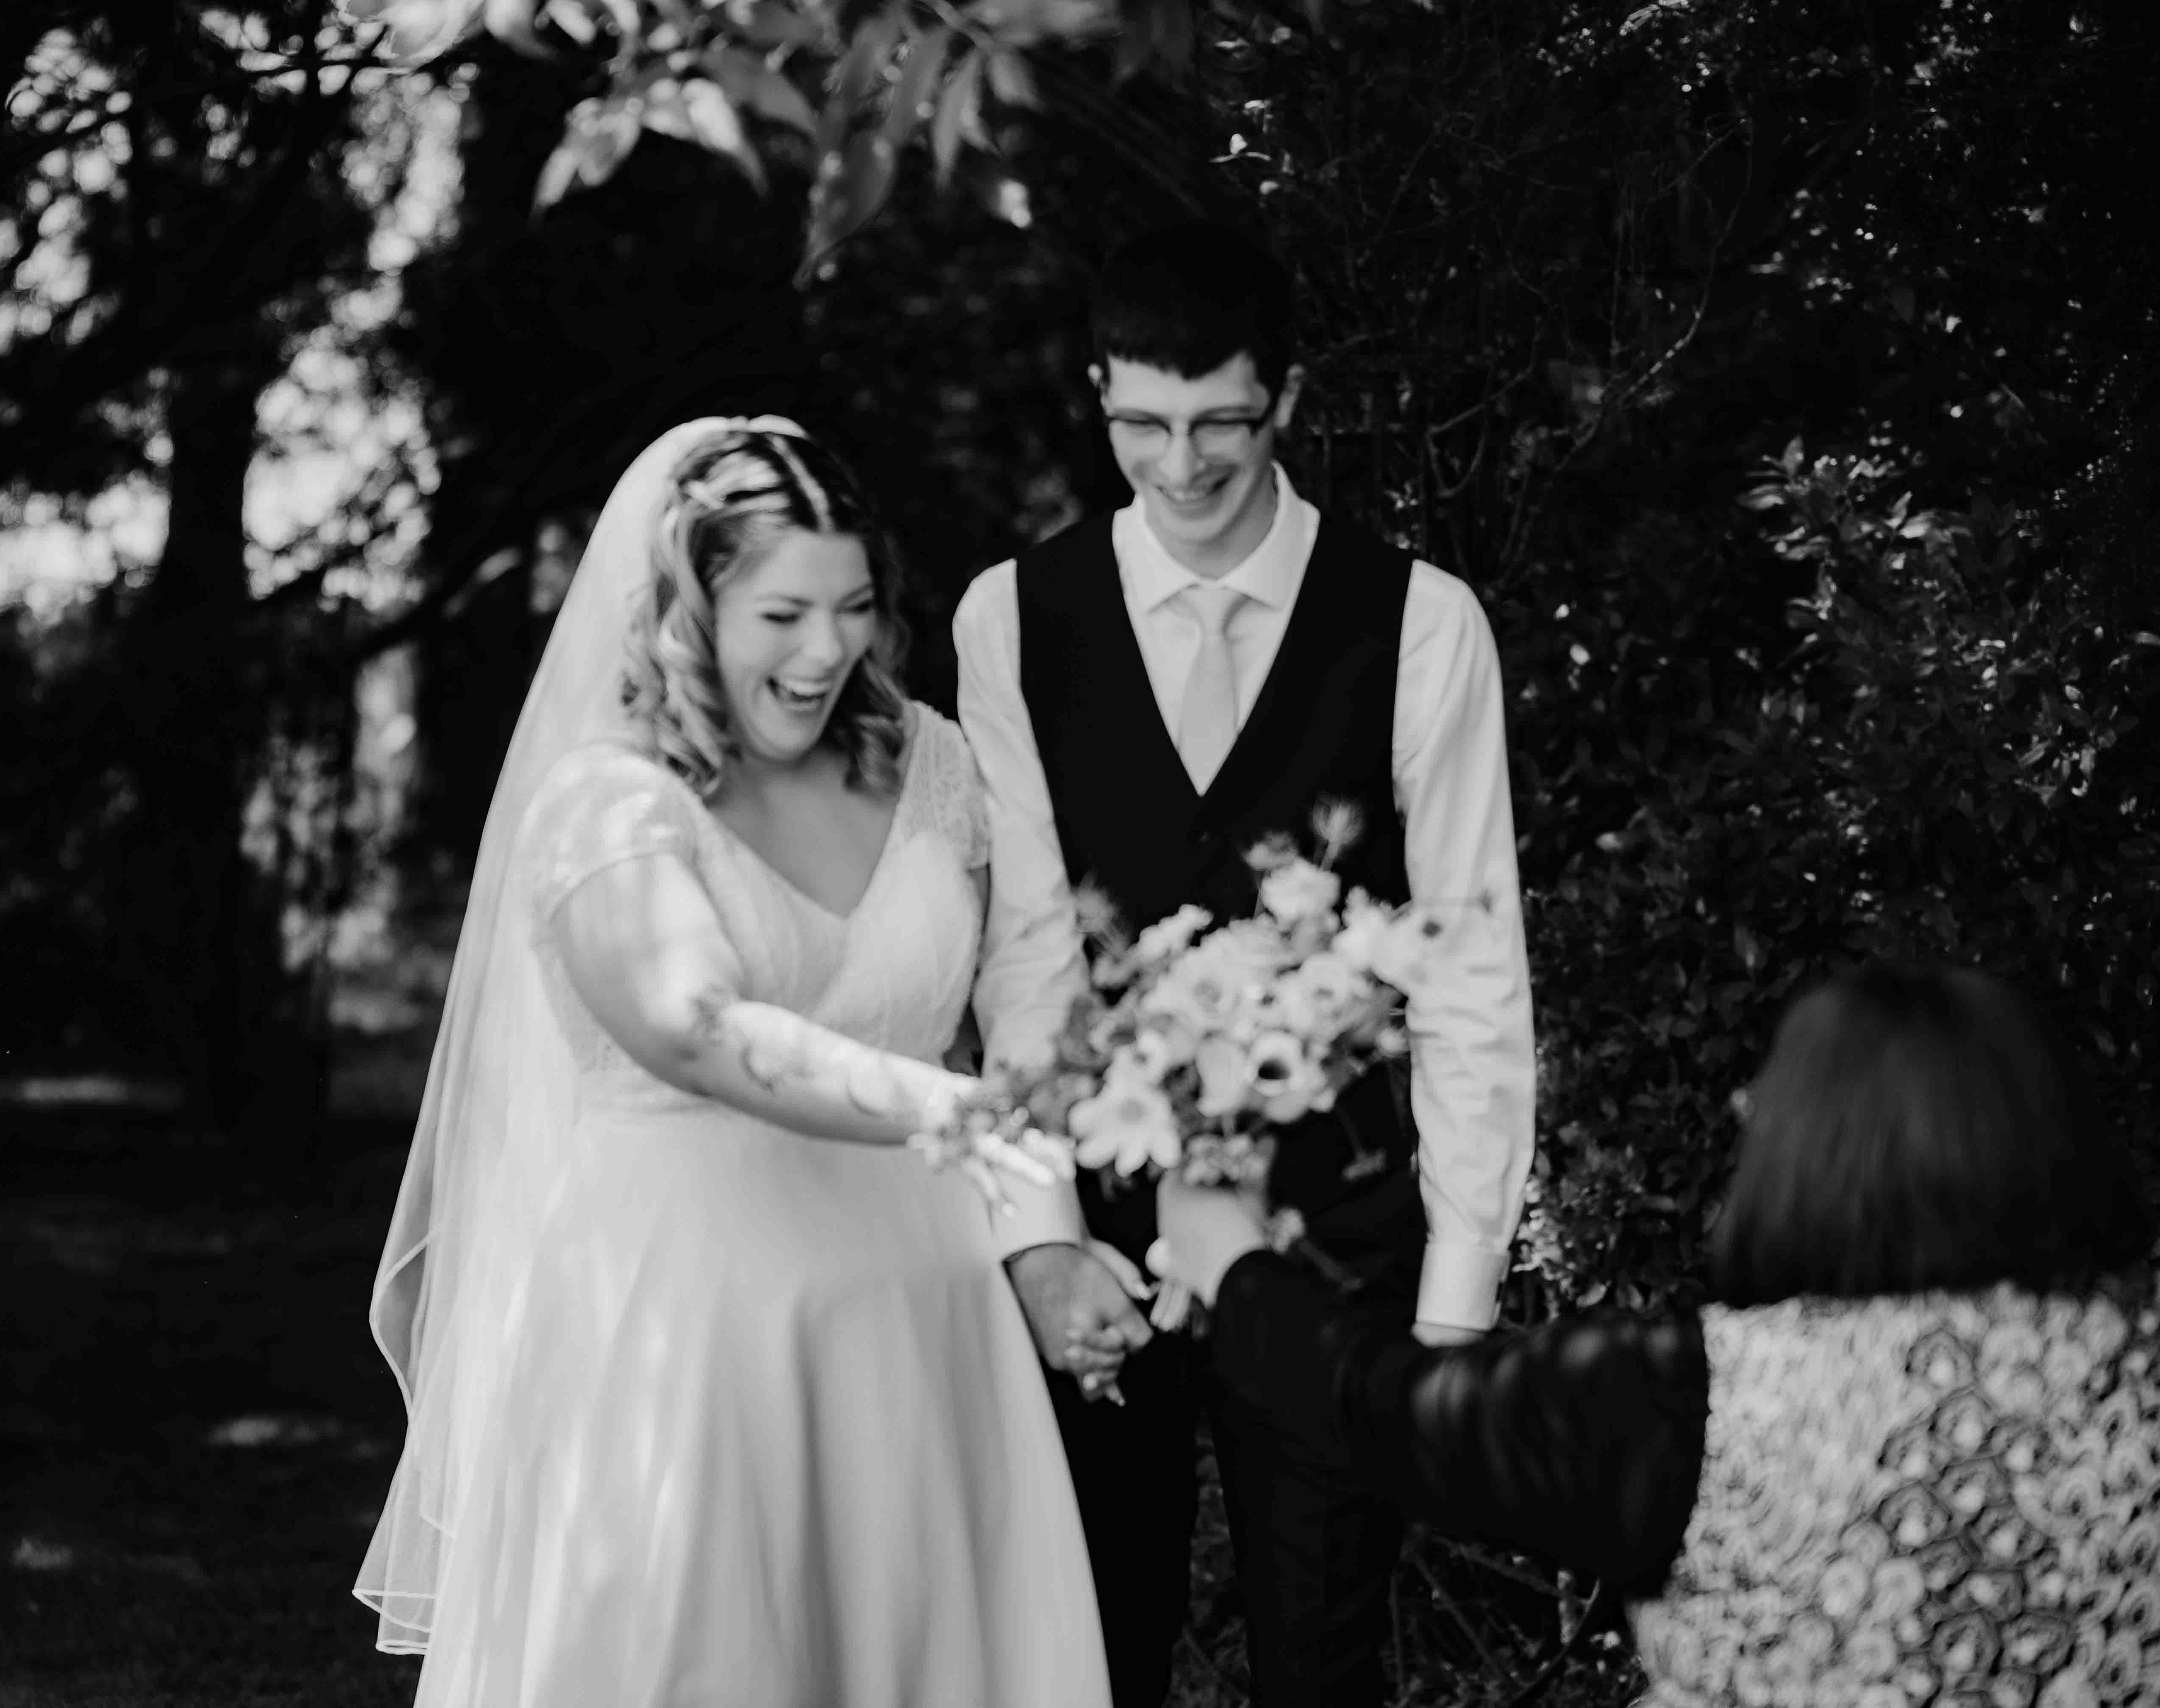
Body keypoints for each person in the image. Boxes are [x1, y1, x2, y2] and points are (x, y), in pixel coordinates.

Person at [356, 419, 1111, 1707]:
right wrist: (959, 1113)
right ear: (687, 608)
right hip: (695, 1331)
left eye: (854, 607)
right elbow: (692, 1026)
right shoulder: (607, 800)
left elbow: (1001, 998)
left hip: (925, 1327)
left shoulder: (930, 761)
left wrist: (1042, 1228)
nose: (827, 652)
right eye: (782, 615)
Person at [955, 221, 1536, 1704]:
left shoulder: (1422, 625)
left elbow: (1470, 972)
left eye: (1220, 421)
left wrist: (1453, 1309)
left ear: (1285, 397)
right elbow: (1026, 962)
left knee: (1323, 1666)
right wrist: (1037, 1235)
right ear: (1099, 393)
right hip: (1105, 1229)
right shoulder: (1011, 622)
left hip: (1338, 1240)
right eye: (1142, 423)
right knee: (1088, 1654)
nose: (1181, 464)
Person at [1159, 962, 2160, 1708]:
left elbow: (1388, 1410)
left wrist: (1235, 1267)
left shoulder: (1708, 1397)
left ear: (1807, 1153)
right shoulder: (2135, 1364)